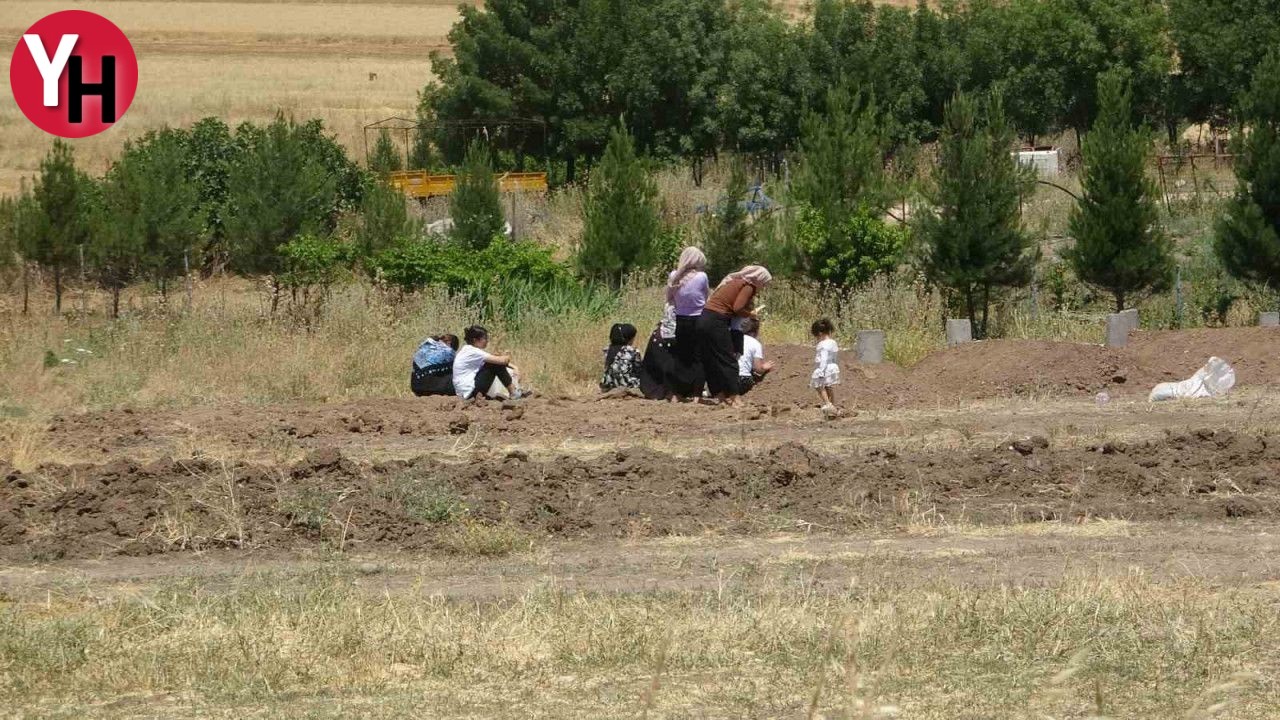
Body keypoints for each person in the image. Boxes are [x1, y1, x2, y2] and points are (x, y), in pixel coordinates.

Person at [697, 265, 772, 407]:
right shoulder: (748, 285)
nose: (764, 287)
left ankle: (719, 395)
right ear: (759, 279)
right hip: (716, 321)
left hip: (704, 318)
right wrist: (751, 314)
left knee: (711, 359)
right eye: (764, 283)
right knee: (728, 359)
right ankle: (735, 397)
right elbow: (737, 308)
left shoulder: (733, 282)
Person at [665, 247, 710, 399]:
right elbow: (705, 297)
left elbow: (669, 298)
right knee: (699, 357)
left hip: (681, 319)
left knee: (681, 357)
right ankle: (697, 394)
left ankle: (678, 393)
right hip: (699, 318)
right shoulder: (702, 276)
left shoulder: (673, 276)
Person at [453, 325, 521, 400]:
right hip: (470, 392)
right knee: (495, 364)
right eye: (485, 338)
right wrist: (507, 356)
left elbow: (494, 359)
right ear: (475, 340)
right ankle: (513, 391)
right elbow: (501, 361)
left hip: (465, 392)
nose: (487, 341)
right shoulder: (473, 352)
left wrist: (514, 367)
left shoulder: (468, 350)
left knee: (494, 362)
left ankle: (513, 391)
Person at [736, 317, 774, 396]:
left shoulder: (733, 339)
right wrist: (765, 367)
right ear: (755, 331)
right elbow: (758, 369)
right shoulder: (755, 343)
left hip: (727, 379)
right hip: (743, 380)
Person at [810, 318, 841, 414]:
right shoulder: (833, 342)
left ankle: (828, 403)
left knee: (819, 385)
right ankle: (833, 406)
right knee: (828, 386)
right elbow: (835, 356)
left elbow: (823, 357)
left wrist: (821, 370)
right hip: (832, 366)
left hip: (824, 367)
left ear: (819, 333)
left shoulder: (822, 344)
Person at [600, 323, 642, 391]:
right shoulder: (633, 351)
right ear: (630, 338)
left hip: (609, 384)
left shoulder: (607, 350)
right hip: (628, 384)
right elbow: (638, 370)